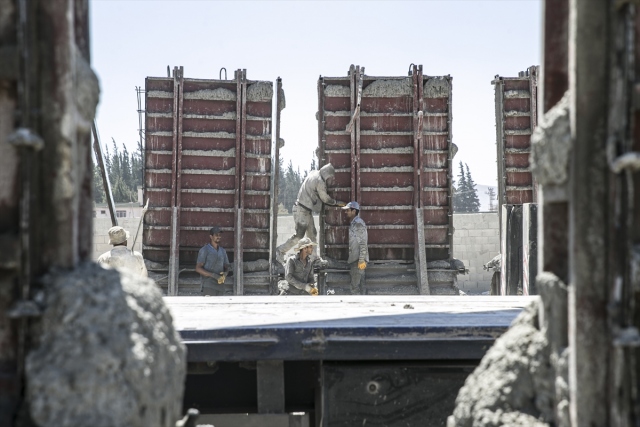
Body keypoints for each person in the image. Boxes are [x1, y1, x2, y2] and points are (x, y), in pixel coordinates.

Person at [276, 163, 347, 263]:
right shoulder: (319, 181)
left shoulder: (313, 173)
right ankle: (280, 251)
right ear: (327, 174)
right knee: (299, 235)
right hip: (302, 210)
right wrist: (336, 203)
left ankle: (314, 258)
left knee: (312, 234)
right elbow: (325, 198)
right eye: (329, 177)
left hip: (305, 210)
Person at [342, 201, 369, 295]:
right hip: (357, 259)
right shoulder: (355, 223)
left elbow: (363, 243)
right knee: (360, 286)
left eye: (348, 210)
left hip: (358, 260)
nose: (346, 212)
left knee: (355, 287)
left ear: (354, 211)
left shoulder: (358, 224)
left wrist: (361, 260)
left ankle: (357, 303)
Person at [195, 227, 231, 296]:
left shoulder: (222, 251)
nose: (219, 237)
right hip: (208, 285)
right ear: (211, 237)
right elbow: (198, 268)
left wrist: (225, 273)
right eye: (216, 235)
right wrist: (214, 275)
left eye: (220, 235)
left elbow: (227, 266)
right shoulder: (205, 250)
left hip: (220, 286)